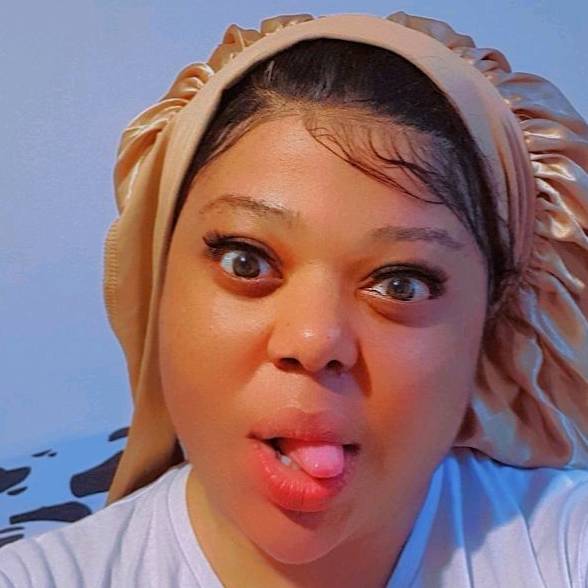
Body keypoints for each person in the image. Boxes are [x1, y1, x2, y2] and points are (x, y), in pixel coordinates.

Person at [1, 10, 587, 588]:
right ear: (158, 281)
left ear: (495, 315)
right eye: (246, 261)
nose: (314, 342)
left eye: (401, 284)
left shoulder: (563, 543)